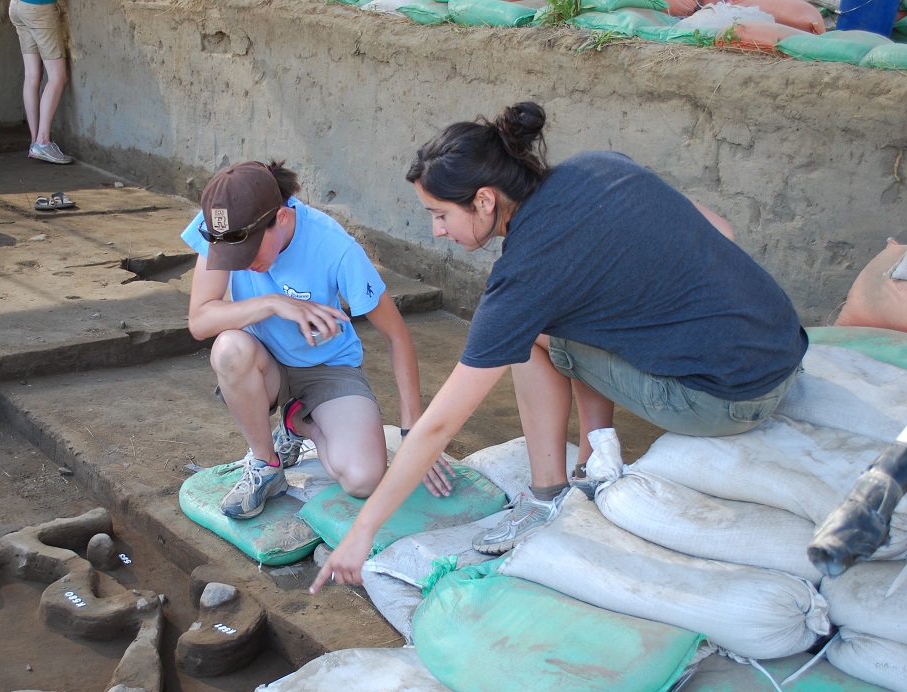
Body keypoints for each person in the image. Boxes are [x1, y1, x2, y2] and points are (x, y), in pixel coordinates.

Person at [311, 101, 807, 593]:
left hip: (728, 398)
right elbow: (721, 230)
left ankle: (545, 497)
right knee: (575, 315)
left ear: (485, 200)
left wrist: (362, 531)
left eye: (439, 215)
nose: (436, 230)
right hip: (781, 347)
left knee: (527, 338)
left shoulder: (524, 274)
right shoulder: (599, 166)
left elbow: (439, 423)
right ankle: (596, 457)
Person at [183, 160, 452, 520]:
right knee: (228, 349)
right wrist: (274, 303)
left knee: (364, 479)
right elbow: (200, 321)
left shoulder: (335, 246)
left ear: (280, 218)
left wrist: (412, 430)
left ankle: (298, 422)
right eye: (234, 256)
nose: (242, 265)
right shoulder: (222, 224)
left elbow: (397, 335)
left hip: (328, 368)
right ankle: (265, 464)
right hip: (262, 364)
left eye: (249, 254)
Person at [9, 0, 74, 165]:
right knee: (58, 76)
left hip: (17, 6)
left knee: (32, 75)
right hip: (39, 7)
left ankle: (35, 143)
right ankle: (43, 141)